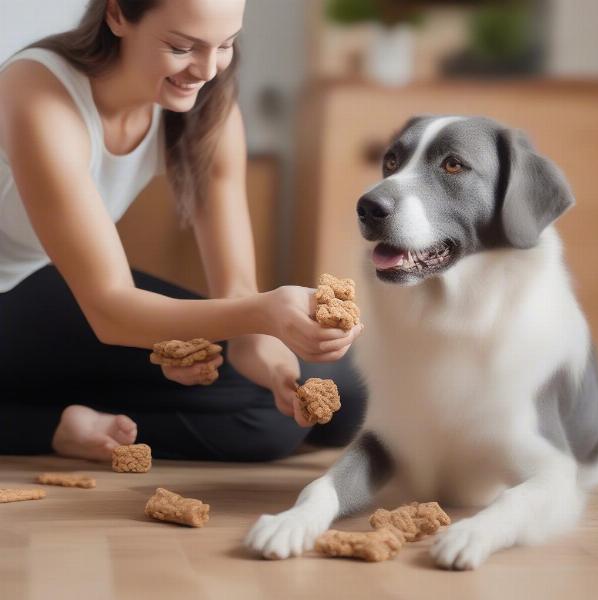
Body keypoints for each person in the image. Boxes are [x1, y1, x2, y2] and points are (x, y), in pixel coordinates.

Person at [0, 0, 365, 462]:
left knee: (346, 394)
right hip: (27, 294)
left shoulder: (205, 101)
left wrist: (273, 362)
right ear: (116, 15)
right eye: (181, 47)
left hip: (44, 277)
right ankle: (46, 426)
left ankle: (75, 410)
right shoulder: (38, 92)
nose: (207, 69)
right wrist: (264, 314)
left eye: (226, 45)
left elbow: (236, 292)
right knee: (261, 425)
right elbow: (110, 311)